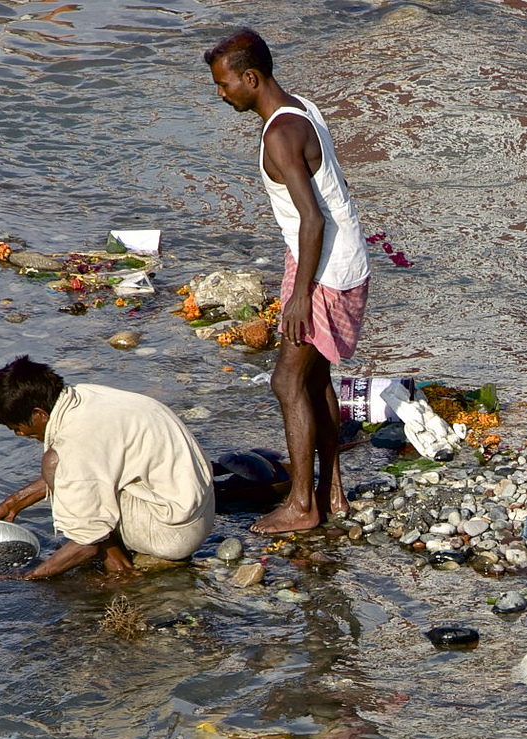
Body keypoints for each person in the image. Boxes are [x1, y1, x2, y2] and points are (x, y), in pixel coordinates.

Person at [204, 28, 371, 534]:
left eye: (224, 83)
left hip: (324, 270)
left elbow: (313, 219)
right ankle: (330, 492)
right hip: (335, 262)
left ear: (251, 79)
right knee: (315, 380)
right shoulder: (302, 107)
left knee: (286, 380)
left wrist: (301, 296)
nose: (221, 93)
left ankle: (302, 505)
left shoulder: (279, 134)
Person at [0, 356, 214, 580]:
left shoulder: (76, 440)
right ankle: (116, 556)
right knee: (69, 477)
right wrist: (12, 504)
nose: (20, 434)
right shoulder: (85, 397)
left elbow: (85, 543)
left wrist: (28, 577)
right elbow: (80, 474)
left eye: (17, 427)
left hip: (174, 532)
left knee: (55, 467)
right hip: (196, 507)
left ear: (39, 414)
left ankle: (119, 570)